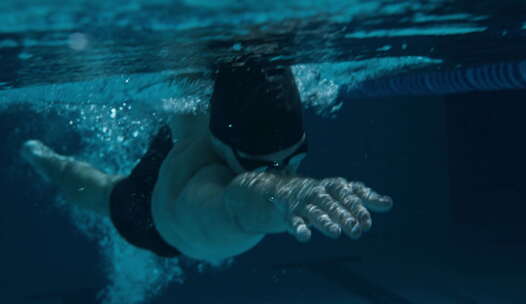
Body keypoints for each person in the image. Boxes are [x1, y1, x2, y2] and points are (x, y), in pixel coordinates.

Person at [21, 63, 393, 264]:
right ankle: (48, 161)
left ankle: (47, 162)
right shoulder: (212, 142)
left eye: (297, 155)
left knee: (105, 193)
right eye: (261, 165)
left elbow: (237, 202)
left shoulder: (205, 199)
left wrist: (288, 192)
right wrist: (287, 187)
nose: (282, 168)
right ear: (220, 142)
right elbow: (249, 194)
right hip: (184, 154)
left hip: (160, 216)